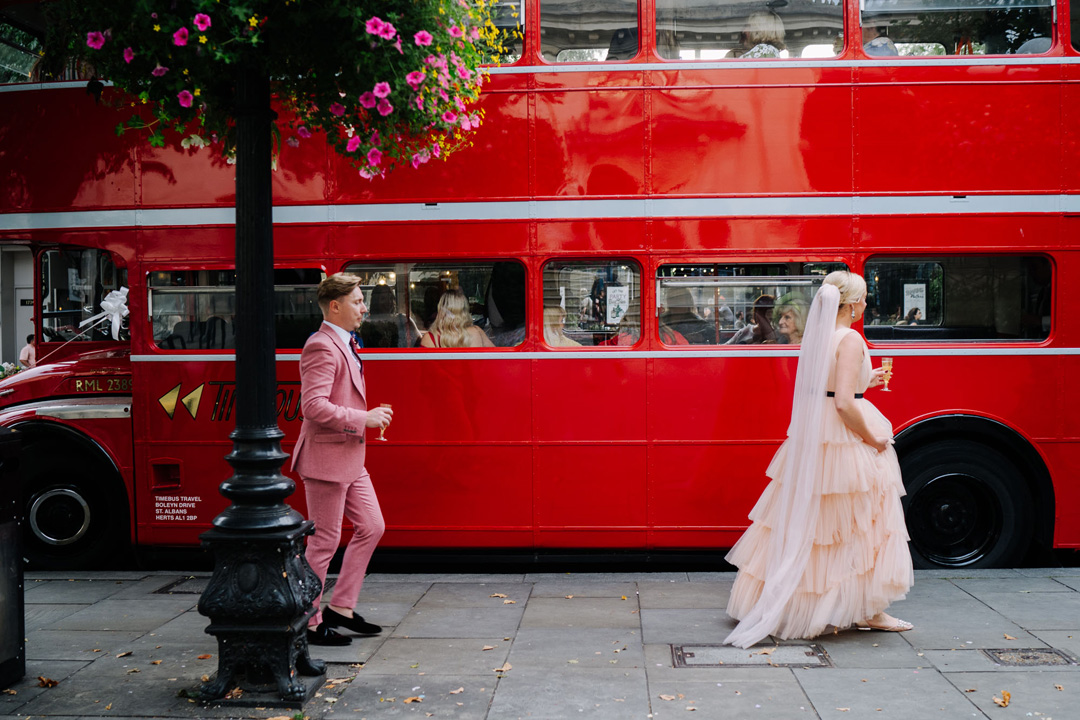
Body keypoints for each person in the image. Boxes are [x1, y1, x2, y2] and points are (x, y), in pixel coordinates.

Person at [724, 271, 913, 648]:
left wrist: (866, 379)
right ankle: (868, 610)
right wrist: (873, 437)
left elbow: (827, 388)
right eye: (863, 300)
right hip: (844, 437)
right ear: (853, 303)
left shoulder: (819, 336)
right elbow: (844, 402)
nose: (865, 305)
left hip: (817, 434)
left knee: (808, 521)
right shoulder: (851, 339)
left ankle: (776, 599)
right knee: (862, 523)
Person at [291, 273, 394, 647]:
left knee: (372, 526)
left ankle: (342, 609)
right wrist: (361, 420)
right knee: (323, 543)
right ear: (335, 306)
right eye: (357, 301)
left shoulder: (344, 343)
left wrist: (364, 418)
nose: (364, 308)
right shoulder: (320, 346)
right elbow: (313, 406)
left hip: (349, 456)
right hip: (326, 459)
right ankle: (310, 621)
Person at [421, 288, 496, 348]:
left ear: (440, 310)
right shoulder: (477, 332)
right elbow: (497, 358)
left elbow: (422, 366)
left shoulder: (429, 338)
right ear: (464, 311)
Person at [360, 284, 420, 349]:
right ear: (376, 301)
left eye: (390, 298)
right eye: (383, 298)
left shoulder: (403, 319)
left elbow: (418, 340)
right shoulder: (368, 324)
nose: (388, 302)